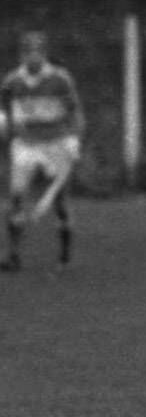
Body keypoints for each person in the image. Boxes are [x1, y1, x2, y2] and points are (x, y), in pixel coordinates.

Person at [0, 29, 84, 273]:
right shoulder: (12, 81)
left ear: (44, 54)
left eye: (37, 51)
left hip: (55, 142)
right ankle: (13, 254)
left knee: (59, 200)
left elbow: (75, 111)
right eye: (27, 51)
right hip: (25, 144)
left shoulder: (60, 79)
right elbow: (5, 107)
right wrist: (5, 122)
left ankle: (65, 257)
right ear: (21, 54)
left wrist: (74, 139)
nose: (32, 57)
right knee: (16, 198)